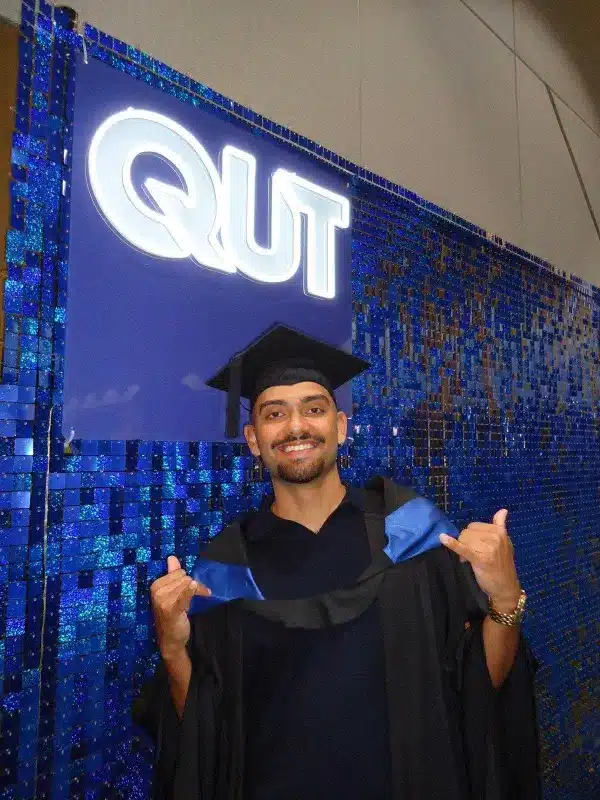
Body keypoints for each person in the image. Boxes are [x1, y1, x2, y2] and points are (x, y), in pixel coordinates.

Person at [133, 324, 540, 800]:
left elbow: (482, 683)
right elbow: (204, 733)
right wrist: (172, 648)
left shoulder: (414, 536)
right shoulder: (222, 572)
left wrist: (505, 597)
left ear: (340, 427)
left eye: (314, 409)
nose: (296, 427)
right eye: (274, 414)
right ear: (253, 439)